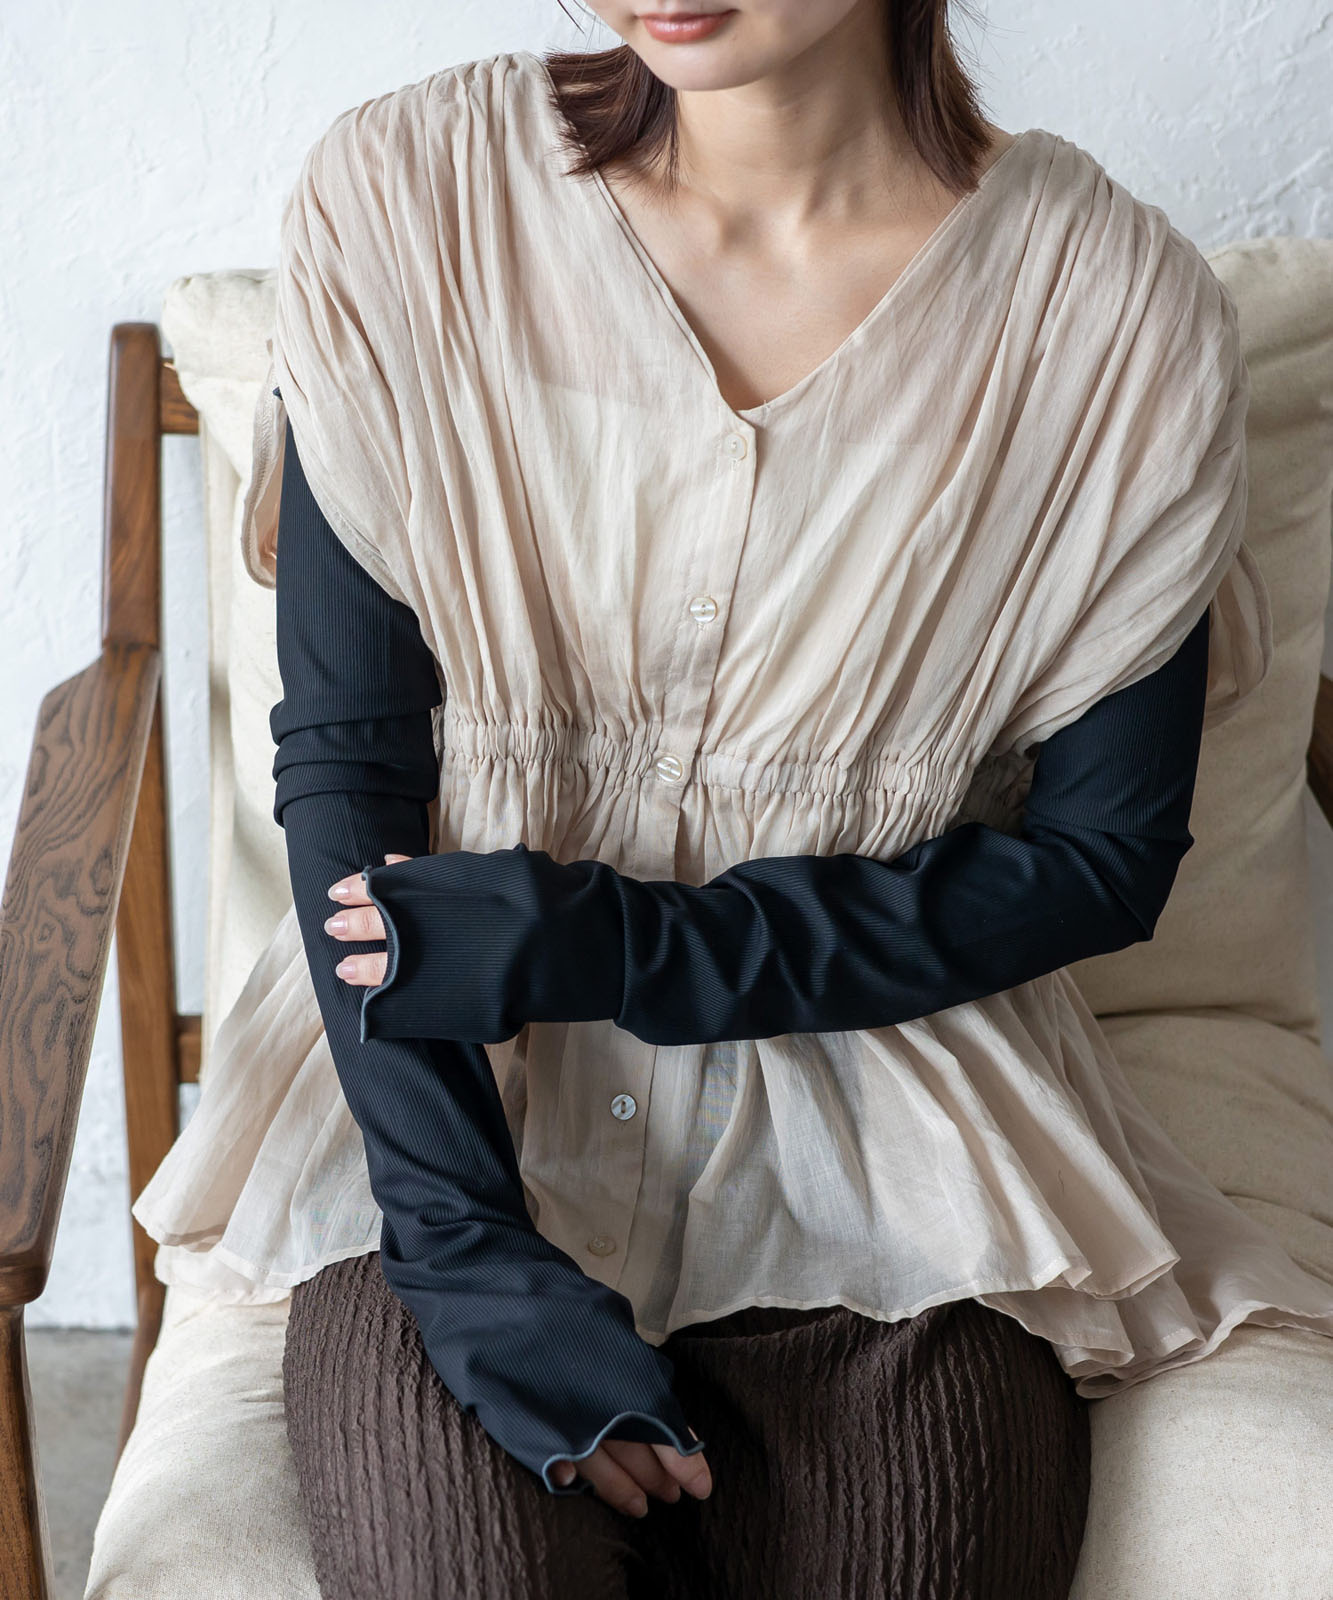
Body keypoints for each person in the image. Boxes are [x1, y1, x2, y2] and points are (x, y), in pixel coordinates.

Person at [131, 3, 1333, 1596]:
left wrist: (627, 945)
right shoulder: (416, 195)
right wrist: (461, 1242)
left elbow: (1098, 862)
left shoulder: (1108, 312)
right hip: (454, 1110)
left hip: (900, 1147)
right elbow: (353, 770)